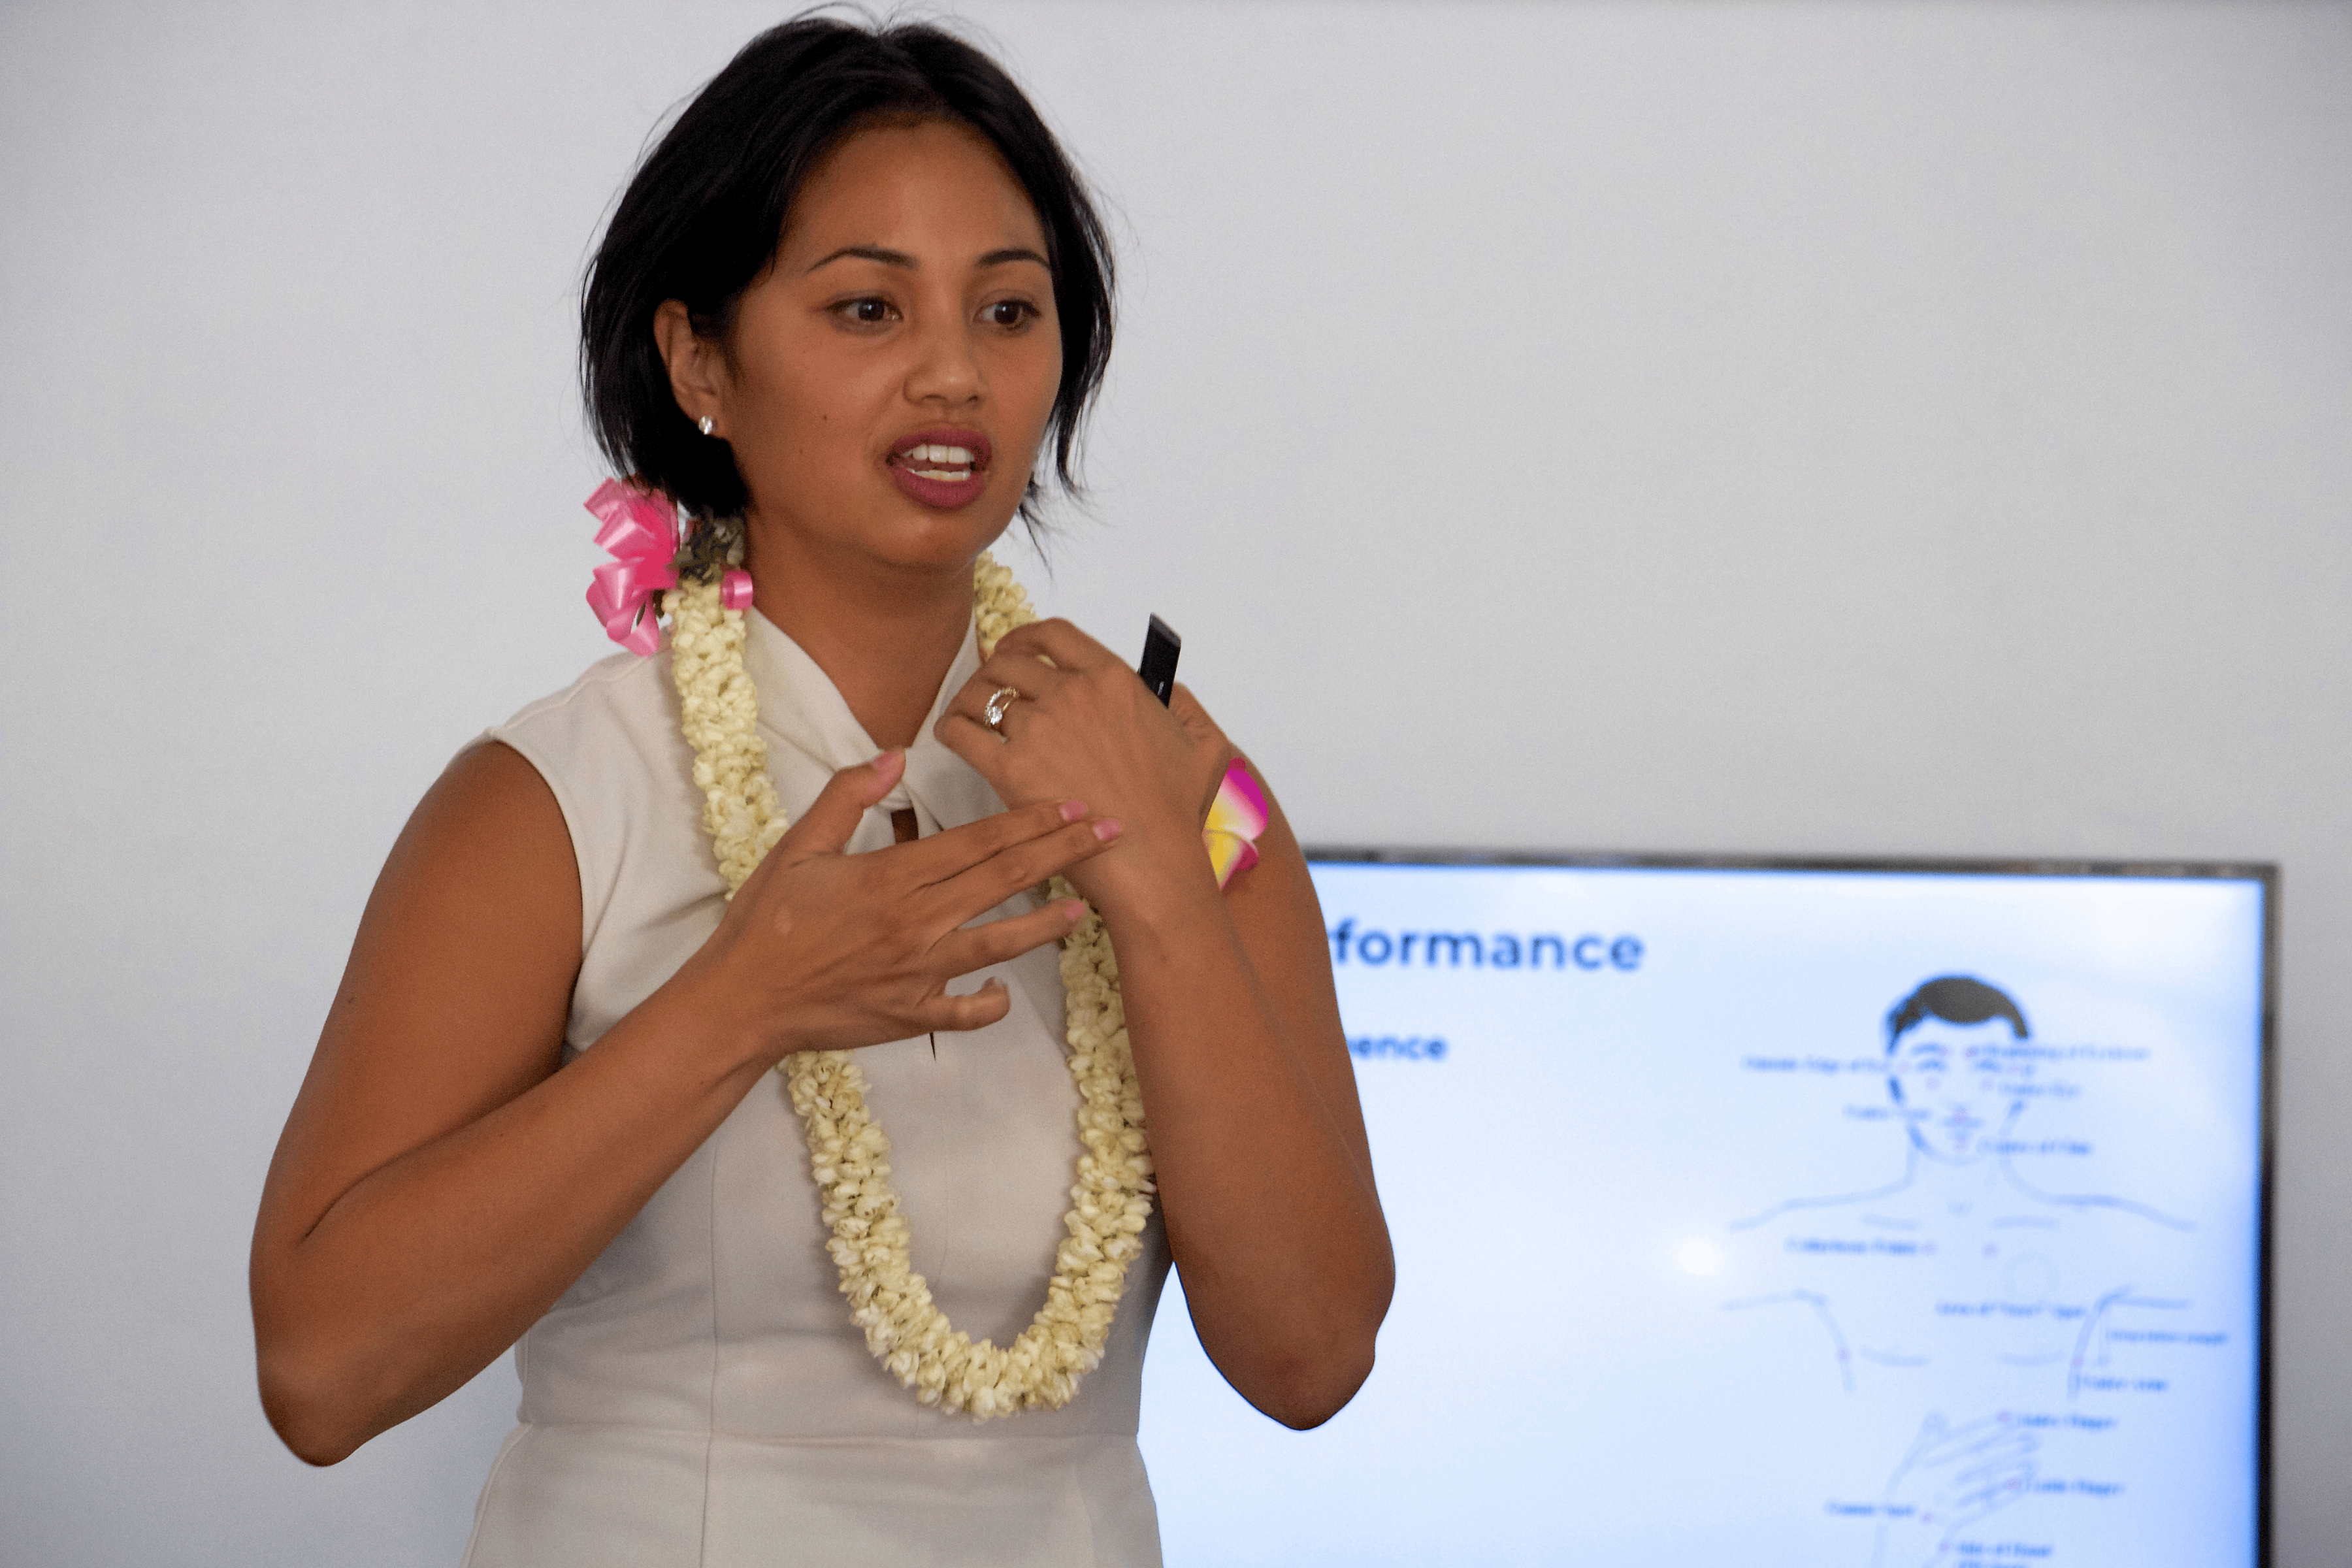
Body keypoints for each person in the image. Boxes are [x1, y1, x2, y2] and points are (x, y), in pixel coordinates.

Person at [248, 18, 1393, 1565]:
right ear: (699, 361)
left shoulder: (1189, 787)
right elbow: (320, 1375)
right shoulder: (546, 800)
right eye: (867, 306)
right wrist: (746, 1002)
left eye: (1009, 310)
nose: (954, 373)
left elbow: (1312, 1361)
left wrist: (1163, 893)